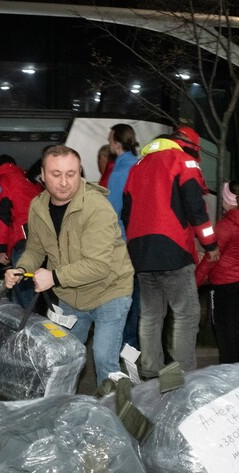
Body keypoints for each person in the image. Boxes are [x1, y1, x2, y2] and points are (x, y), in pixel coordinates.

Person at [4, 145, 133, 387]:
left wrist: (53, 277)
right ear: (42, 175)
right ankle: (61, 413)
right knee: (63, 359)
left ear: (80, 173)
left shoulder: (96, 207)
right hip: (70, 296)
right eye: (56, 174)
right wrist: (21, 269)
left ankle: (110, 415)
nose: (64, 182)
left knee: (104, 358)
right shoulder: (38, 206)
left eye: (71, 174)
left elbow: (99, 266)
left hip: (110, 291)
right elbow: (35, 249)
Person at [122, 125, 219, 377]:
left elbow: (127, 211)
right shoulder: (183, 162)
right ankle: (183, 374)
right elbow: (197, 210)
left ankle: (150, 371)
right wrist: (211, 245)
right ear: (191, 146)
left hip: (140, 252)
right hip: (172, 247)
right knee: (186, 313)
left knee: (151, 315)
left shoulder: (138, 167)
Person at [200, 180, 239, 363]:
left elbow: (212, 257)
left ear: (227, 200)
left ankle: (228, 365)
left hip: (224, 281)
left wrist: (196, 280)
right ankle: (237, 361)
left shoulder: (225, 225)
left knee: (223, 326)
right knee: (233, 323)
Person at [0, 154, 42, 308]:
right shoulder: (27, 180)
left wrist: (1, 248)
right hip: (42, 237)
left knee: (21, 288)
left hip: (23, 240)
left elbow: (2, 216)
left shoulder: (2, 180)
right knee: (35, 287)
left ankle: (23, 327)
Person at [106, 123, 141, 348]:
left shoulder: (119, 172)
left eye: (110, 140)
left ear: (117, 143)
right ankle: (135, 347)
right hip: (142, 239)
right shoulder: (140, 165)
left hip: (124, 242)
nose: (109, 144)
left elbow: (111, 212)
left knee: (125, 297)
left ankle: (126, 346)